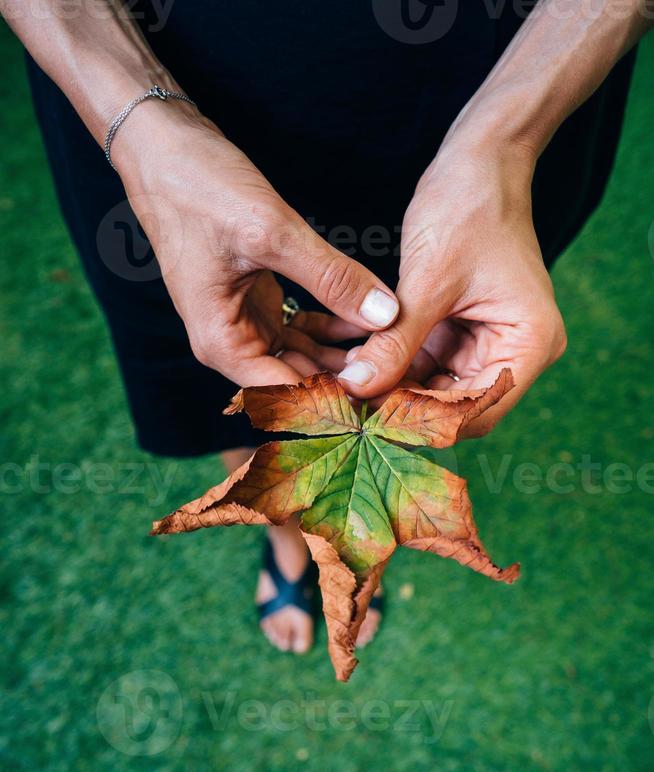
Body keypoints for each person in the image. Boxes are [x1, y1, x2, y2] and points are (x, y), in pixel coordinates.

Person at [3, 0, 649, 655]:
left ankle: (357, 536)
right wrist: (143, 129)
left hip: (496, 84)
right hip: (153, 98)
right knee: (228, 364)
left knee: (425, 364)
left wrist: (506, 138)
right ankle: (288, 536)